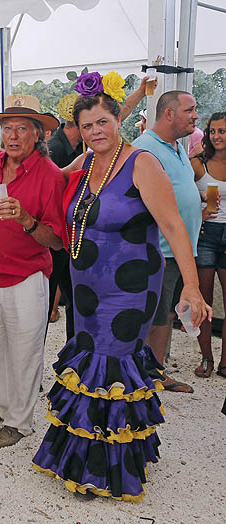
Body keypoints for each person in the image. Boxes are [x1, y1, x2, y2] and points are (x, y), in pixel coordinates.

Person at [32, 81, 210, 502]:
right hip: (88, 291)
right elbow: (46, 182)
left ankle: (103, 469)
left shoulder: (141, 163)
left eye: (104, 122)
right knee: (92, 364)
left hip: (129, 289)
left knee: (110, 369)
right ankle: (106, 449)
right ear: (78, 129)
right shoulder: (86, 166)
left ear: (119, 122)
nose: (96, 130)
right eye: (87, 124)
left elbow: (172, 227)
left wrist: (191, 284)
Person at [0, 94, 64, 449]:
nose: (12, 135)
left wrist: (26, 220)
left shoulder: (50, 176)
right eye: (7, 127)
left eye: (22, 128)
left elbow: (55, 239)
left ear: (38, 134)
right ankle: (0, 405)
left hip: (26, 275)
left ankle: (20, 422)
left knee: (25, 351)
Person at [132, 90, 202, 393]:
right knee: (153, 316)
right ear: (169, 114)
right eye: (190, 110)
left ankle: (155, 370)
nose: (196, 116)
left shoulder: (175, 147)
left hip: (178, 250)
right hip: (158, 249)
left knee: (166, 314)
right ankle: (141, 375)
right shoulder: (144, 148)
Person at [191, 111, 226, 378]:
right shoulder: (197, 164)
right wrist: (199, 213)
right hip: (205, 234)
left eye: (222, 131)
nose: (216, 136)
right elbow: (180, 194)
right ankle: (207, 359)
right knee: (203, 302)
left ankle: (225, 362)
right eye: (213, 131)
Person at [46, 120, 83, 342]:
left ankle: (74, 356)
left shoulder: (80, 149)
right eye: (87, 125)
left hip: (71, 236)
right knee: (47, 302)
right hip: (54, 236)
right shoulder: (54, 148)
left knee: (76, 301)